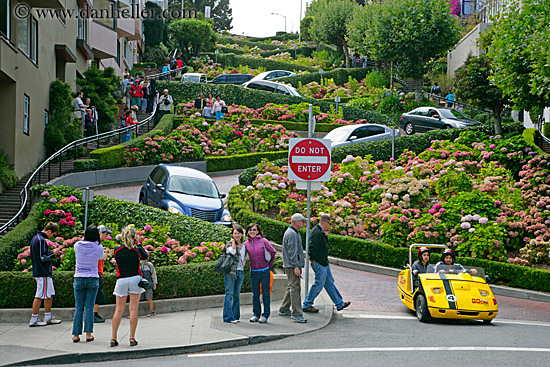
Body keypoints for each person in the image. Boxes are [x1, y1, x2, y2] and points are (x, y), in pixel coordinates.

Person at [302, 214, 351, 313]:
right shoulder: (317, 232)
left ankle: (339, 303)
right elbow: (312, 247)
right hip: (320, 262)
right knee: (319, 283)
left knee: (329, 282)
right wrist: (313, 259)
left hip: (323, 262)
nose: (329, 226)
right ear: (324, 222)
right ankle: (307, 304)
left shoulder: (320, 232)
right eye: (329, 223)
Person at [111, 226, 145, 347]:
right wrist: (138, 243)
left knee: (118, 310)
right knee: (133, 309)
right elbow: (145, 257)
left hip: (121, 280)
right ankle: (132, 337)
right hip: (135, 279)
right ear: (134, 237)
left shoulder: (117, 250)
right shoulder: (136, 251)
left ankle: (113, 337)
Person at [72, 226, 105, 343]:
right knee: (90, 307)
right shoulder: (98, 248)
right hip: (92, 277)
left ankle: (76, 335)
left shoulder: (77, 245)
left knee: (79, 307)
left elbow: (81, 242)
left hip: (79, 277)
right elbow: (101, 258)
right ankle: (88, 334)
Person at [29, 222, 62, 327]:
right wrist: (54, 253)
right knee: (40, 295)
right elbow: (42, 258)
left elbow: (41, 256)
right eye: (53, 234)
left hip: (43, 272)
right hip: (42, 272)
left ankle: (47, 316)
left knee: (49, 294)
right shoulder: (40, 240)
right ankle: (34, 319)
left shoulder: (38, 239)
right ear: (49, 231)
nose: (52, 237)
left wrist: (51, 253)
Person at [279, 213, 307, 323]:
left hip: (291, 265)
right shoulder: (292, 234)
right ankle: (297, 313)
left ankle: (284, 308)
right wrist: (296, 266)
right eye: (302, 221)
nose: (303, 223)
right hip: (292, 266)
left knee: (292, 286)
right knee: (295, 288)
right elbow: (292, 252)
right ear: (296, 222)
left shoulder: (293, 232)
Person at [245, 223, 276, 324]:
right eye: (250, 230)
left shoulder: (264, 241)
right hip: (253, 271)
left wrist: (269, 265)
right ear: (247, 231)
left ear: (258, 231)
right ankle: (256, 314)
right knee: (255, 295)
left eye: (254, 230)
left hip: (264, 271)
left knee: (266, 294)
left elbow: (273, 252)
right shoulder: (246, 244)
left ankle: (265, 315)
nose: (252, 232)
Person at [223, 225, 246, 323]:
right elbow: (232, 252)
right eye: (235, 233)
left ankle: (235, 316)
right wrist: (233, 242)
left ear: (242, 234)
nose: (237, 235)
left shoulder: (244, 245)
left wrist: (244, 262)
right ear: (232, 234)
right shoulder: (229, 244)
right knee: (229, 294)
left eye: (239, 233)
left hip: (240, 272)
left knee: (236, 295)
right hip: (230, 272)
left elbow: (245, 256)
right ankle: (228, 317)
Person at [93, 225, 112, 323]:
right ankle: (94, 314)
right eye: (105, 234)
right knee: (96, 295)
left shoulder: (95, 244)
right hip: (95, 272)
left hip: (97, 271)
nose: (106, 236)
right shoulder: (96, 245)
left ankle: (94, 313)